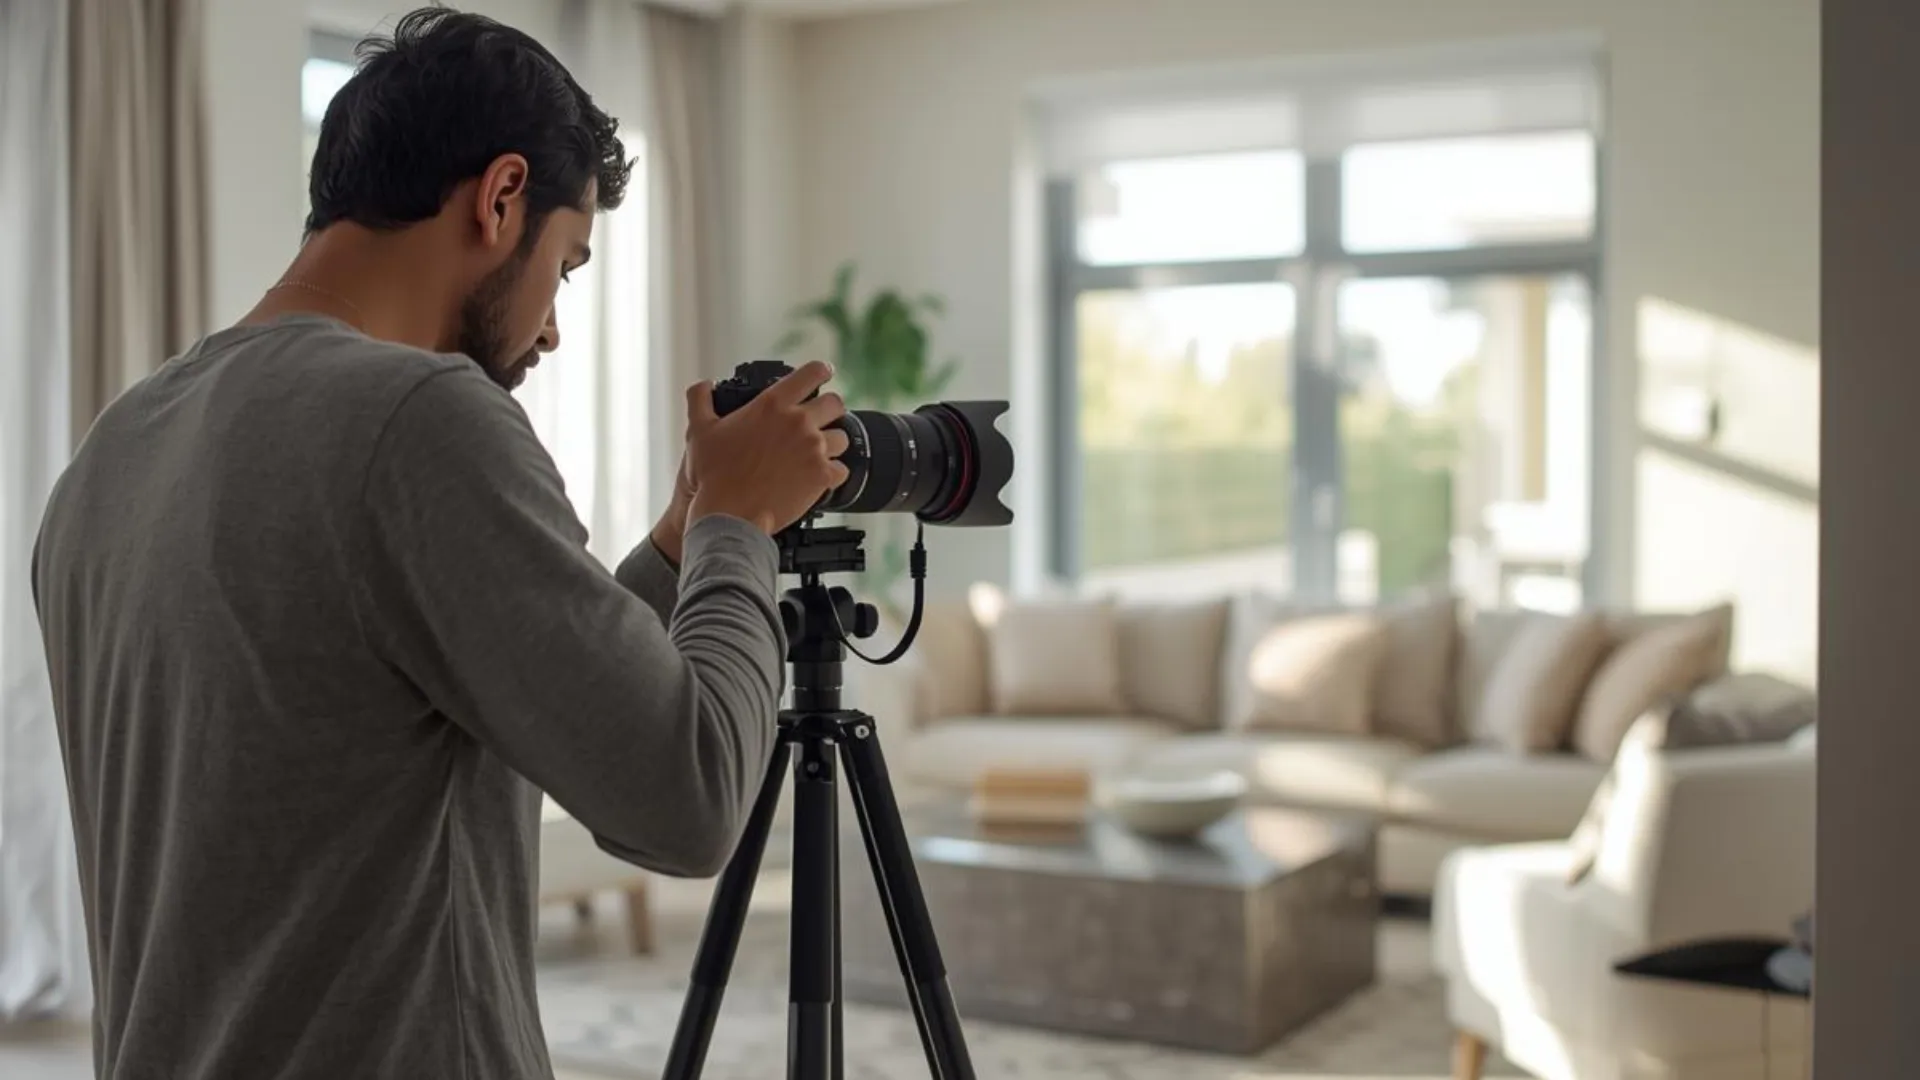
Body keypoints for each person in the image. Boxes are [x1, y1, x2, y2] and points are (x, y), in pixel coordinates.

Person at [30, 9, 846, 1078]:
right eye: (567, 266)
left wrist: (682, 540)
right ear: (502, 197)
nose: (553, 326)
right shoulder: (421, 415)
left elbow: (531, 708)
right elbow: (683, 801)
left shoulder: (113, 452)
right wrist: (742, 528)